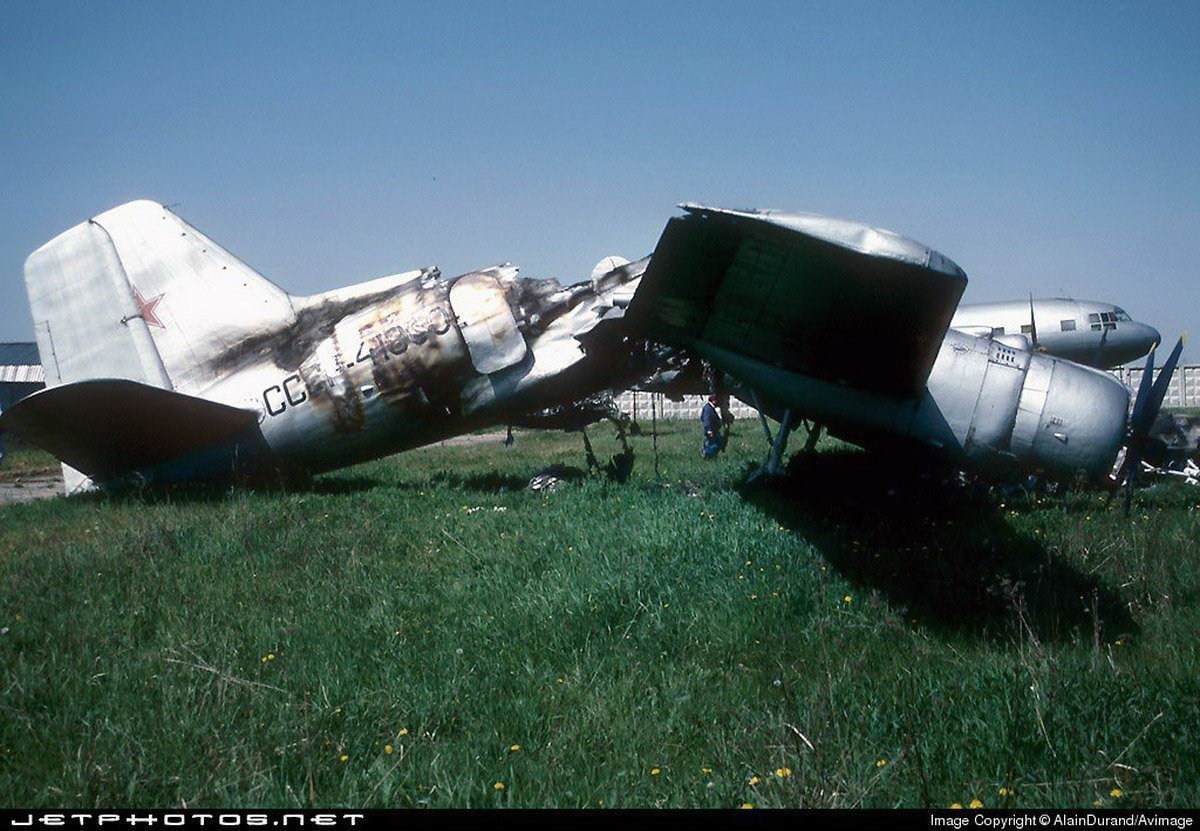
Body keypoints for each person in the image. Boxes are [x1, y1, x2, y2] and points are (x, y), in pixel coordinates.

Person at [700, 394, 724, 458]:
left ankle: (711, 455)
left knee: (715, 442)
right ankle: (706, 453)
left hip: (713, 430)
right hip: (711, 430)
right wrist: (709, 430)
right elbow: (706, 420)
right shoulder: (708, 409)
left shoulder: (709, 408)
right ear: (713, 401)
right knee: (716, 443)